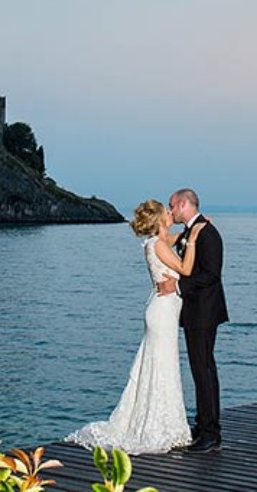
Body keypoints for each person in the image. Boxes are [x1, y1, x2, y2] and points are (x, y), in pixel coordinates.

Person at [66, 199, 208, 454]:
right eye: (167, 211)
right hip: (163, 313)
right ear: (161, 220)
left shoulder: (160, 242)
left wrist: (189, 231)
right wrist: (195, 239)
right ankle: (161, 427)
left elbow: (175, 239)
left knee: (158, 364)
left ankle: (164, 423)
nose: (170, 212)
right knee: (162, 365)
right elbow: (186, 269)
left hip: (162, 310)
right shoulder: (159, 246)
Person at [157, 187, 227, 452]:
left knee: (204, 369)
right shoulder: (192, 230)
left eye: (172, 205)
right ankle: (204, 423)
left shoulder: (206, 233)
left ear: (184, 204)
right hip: (197, 311)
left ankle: (211, 432)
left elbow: (211, 274)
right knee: (201, 368)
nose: (170, 210)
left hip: (204, 311)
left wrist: (176, 286)